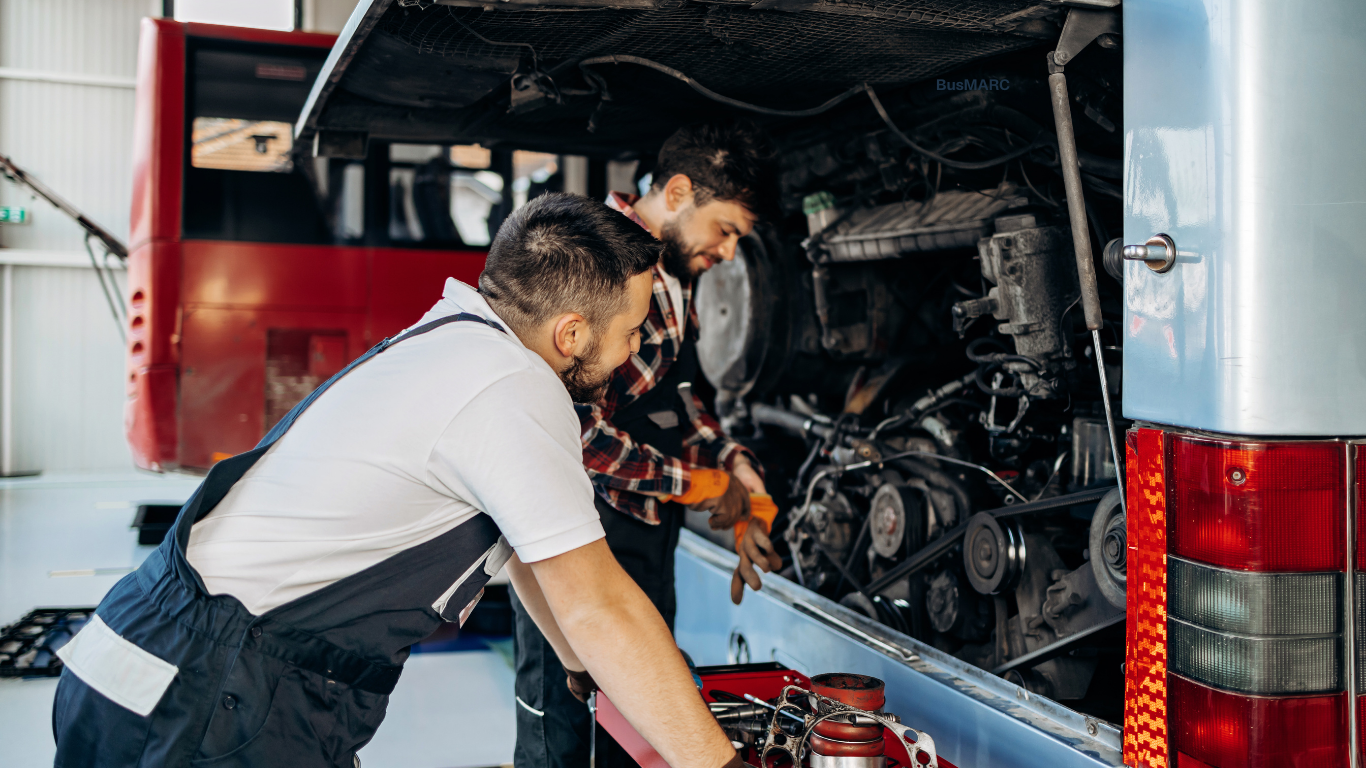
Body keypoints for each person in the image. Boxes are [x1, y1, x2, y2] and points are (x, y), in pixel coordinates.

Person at [50, 193, 746, 768]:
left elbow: (532, 551)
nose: (633, 352)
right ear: (570, 333)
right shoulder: (513, 390)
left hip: (150, 656)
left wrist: (577, 665)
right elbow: (601, 605)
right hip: (211, 693)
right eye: (629, 332)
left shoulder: (451, 342)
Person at [512, 121, 785, 768]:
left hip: (639, 538)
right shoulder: (602, 264)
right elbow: (573, 430)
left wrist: (737, 471)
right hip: (585, 540)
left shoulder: (669, 277)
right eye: (725, 231)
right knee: (567, 734)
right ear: (681, 190)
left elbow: (678, 398)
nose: (727, 253)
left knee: (628, 732)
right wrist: (692, 484)